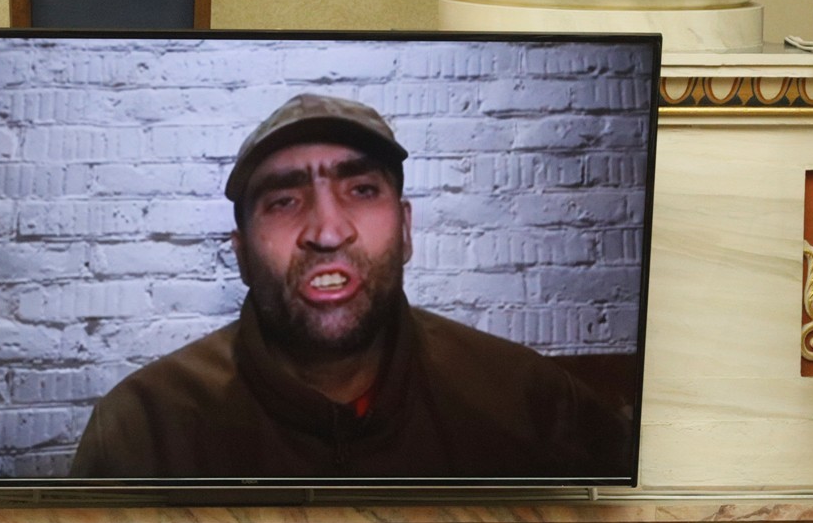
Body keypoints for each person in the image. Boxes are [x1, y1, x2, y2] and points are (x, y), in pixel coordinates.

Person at [70, 93, 630, 479]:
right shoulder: (144, 430)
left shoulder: (528, 402)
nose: (328, 230)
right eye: (284, 201)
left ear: (405, 230)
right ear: (240, 255)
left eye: (361, 190)